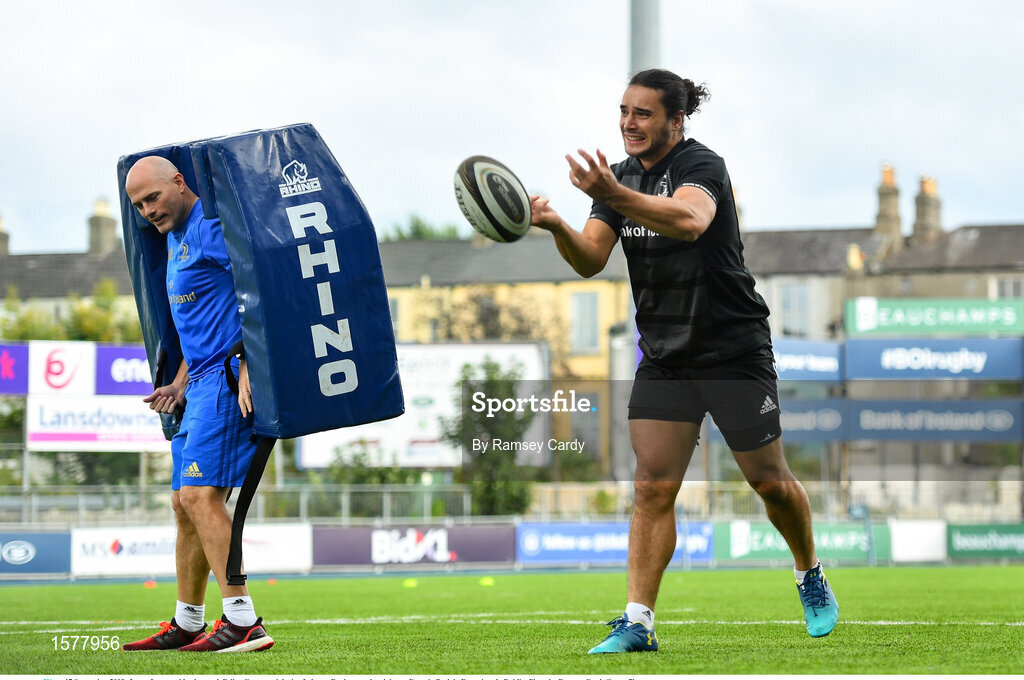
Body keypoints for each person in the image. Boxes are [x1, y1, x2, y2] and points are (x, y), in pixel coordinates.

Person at [529, 69, 838, 654]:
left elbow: (690, 220)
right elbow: (591, 258)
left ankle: (809, 573)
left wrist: (614, 195)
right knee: (651, 486)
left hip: (732, 349)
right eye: (624, 111)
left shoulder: (702, 167)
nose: (628, 122)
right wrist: (556, 226)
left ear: (676, 120)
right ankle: (638, 620)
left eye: (643, 113)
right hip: (665, 356)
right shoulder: (617, 180)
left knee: (769, 482)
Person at [121, 156, 274, 653]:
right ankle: (188, 621)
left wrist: (251, 361)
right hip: (201, 384)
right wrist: (181, 383)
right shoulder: (173, 238)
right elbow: (202, 326)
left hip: (229, 381)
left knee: (200, 496)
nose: (147, 210)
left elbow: (261, 289)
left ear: (180, 183)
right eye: (138, 205)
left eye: (153, 198)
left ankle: (244, 621)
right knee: (182, 503)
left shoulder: (211, 227)